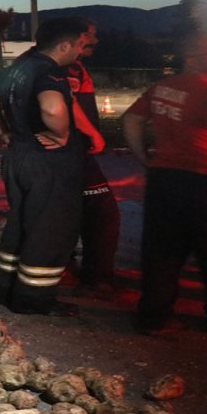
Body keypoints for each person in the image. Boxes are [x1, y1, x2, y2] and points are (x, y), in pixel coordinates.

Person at [122, 33, 207, 335]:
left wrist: (145, 158)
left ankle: (152, 316)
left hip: (165, 180)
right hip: (206, 182)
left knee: (161, 251)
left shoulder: (163, 87)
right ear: (194, 60)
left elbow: (131, 119)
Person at [0, 17, 90, 316]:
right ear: (65, 45)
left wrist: (3, 130)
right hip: (47, 159)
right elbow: (52, 108)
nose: (80, 51)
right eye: (79, 45)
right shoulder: (49, 72)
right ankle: (33, 300)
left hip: (18, 153)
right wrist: (62, 134)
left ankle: (8, 288)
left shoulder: (18, 69)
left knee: (20, 221)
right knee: (50, 229)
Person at [65, 22, 121, 296]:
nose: (96, 39)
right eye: (91, 33)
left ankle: (61, 266)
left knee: (67, 210)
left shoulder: (49, 64)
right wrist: (91, 135)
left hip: (67, 150)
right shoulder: (66, 68)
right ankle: (96, 277)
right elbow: (65, 103)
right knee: (102, 213)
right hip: (73, 151)